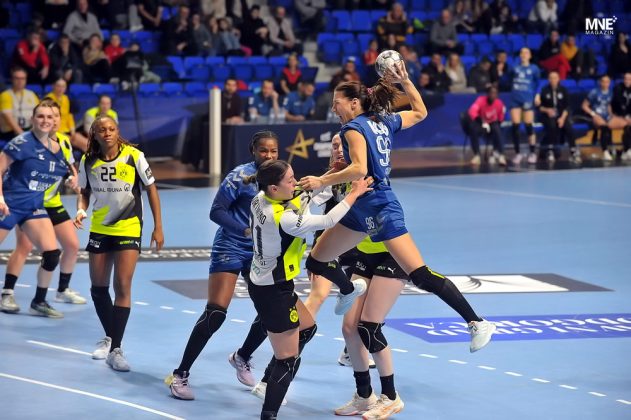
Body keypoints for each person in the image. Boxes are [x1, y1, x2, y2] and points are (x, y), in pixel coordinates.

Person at [298, 61, 495, 361]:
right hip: (359, 208)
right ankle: (348, 289)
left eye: (337, 103)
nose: (333, 108)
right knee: (316, 259)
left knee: (420, 275)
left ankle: (477, 322)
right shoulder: (383, 121)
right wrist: (406, 81)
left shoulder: (352, 128)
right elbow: (420, 112)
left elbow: (359, 169)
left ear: (354, 103)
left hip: (381, 207)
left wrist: (321, 180)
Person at [247, 159, 371, 419]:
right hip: (274, 291)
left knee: (307, 327)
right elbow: (327, 219)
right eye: (290, 180)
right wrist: (354, 193)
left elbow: (303, 196)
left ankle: (271, 380)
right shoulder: (284, 219)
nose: (295, 183)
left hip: (268, 284)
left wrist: (331, 175)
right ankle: (268, 410)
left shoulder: (260, 198)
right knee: (287, 359)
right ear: (274, 188)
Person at [165, 131, 280, 400]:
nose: (269, 156)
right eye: (264, 150)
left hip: (260, 252)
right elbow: (216, 211)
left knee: (272, 311)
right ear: (253, 151)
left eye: (273, 151)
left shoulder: (281, 176)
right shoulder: (239, 176)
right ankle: (180, 375)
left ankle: (242, 356)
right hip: (230, 246)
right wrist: (244, 230)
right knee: (216, 312)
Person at [74, 116, 164, 371]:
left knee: (122, 285)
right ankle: (110, 336)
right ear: (94, 134)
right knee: (98, 289)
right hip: (100, 228)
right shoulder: (88, 160)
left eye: (112, 129)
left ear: (117, 131)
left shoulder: (134, 156)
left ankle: (116, 349)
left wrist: (158, 226)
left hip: (129, 226)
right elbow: (84, 192)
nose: (108, 133)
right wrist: (80, 210)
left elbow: (151, 189)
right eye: (102, 130)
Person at [3, 99, 84, 313]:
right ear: (33, 119)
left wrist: (72, 180)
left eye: (52, 116)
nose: (48, 120)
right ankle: (7, 293)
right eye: (42, 116)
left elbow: (66, 170)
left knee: (55, 251)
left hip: (38, 206)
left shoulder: (59, 146)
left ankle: (42, 300)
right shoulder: (22, 142)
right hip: (12, 203)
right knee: (23, 247)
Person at [334, 237, 408, 419]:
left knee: (369, 327)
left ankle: (390, 397)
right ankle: (364, 395)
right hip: (364, 253)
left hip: (391, 254)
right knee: (349, 328)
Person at [537, 71, 579, 163]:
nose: (553, 80)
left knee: (568, 128)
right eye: (551, 78)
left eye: (555, 78)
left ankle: (573, 151)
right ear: (548, 79)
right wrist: (547, 110)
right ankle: (550, 150)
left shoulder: (563, 90)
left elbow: (567, 107)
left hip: (562, 115)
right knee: (551, 126)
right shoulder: (544, 90)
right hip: (548, 115)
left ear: (558, 79)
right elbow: (539, 107)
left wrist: (562, 118)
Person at [509, 48, 540, 165]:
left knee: (528, 126)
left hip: (527, 98)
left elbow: (538, 83)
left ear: (530, 55)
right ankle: (518, 153)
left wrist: (537, 95)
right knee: (515, 126)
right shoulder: (514, 67)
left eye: (526, 53)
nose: (523, 55)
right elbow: (508, 79)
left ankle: (532, 152)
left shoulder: (534, 68)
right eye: (521, 53)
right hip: (515, 98)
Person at [467, 86, 507, 165]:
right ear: (487, 94)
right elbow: (472, 111)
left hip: (492, 124)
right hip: (481, 123)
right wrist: (482, 122)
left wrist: (496, 124)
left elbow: (500, 118)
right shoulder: (480, 100)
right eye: (491, 93)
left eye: (495, 93)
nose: (493, 95)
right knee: (473, 129)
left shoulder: (499, 103)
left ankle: (501, 155)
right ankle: (477, 155)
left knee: (497, 129)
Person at [0, 67, 40, 144]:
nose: (20, 81)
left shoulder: (31, 94)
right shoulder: (5, 95)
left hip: (29, 130)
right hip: (11, 133)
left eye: (22, 78)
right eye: (17, 78)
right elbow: (8, 118)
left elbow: (39, 113)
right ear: (12, 79)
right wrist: (23, 135)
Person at [582, 75, 614, 161]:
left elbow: (609, 105)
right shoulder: (594, 92)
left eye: (607, 82)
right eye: (603, 81)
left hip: (607, 116)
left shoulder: (611, 93)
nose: (605, 83)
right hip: (596, 116)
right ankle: (605, 151)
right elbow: (584, 106)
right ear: (600, 82)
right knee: (604, 127)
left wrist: (612, 115)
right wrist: (593, 114)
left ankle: (625, 150)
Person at [610, 72, 631, 161]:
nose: (627, 81)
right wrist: (625, 116)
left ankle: (627, 150)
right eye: (625, 79)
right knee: (628, 126)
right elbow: (618, 103)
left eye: (629, 79)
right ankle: (627, 149)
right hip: (618, 114)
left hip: (629, 115)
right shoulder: (618, 88)